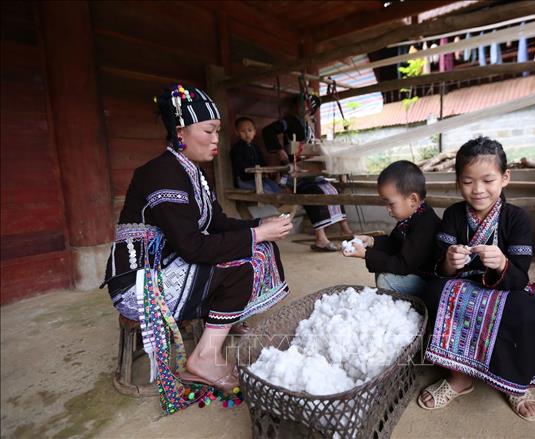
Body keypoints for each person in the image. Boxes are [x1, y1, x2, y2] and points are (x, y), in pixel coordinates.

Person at [100, 84, 293, 414]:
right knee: (240, 266)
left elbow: (217, 223)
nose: (217, 139)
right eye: (209, 130)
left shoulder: (193, 174)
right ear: (180, 131)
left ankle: (226, 318)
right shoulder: (160, 173)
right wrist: (257, 234)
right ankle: (203, 357)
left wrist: (262, 228)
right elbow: (193, 247)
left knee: (262, 249)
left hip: (172, 264)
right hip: (141, 282)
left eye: (218, 131)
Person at [418, 137, 535, 422]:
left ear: (505, 178)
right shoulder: (455, 215)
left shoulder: (517, 219)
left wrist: (503, 263)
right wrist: (448, 261)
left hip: (506, 288)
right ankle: (459, 378)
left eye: (488, 180)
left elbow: (519, 277)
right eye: (468, 181)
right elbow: (437, 266)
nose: (478, 190)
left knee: (527, 311)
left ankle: (516, 384)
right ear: (459, 182)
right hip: (464, 285)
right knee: (432, 292)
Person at [262, 94, 353, 251]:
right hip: (295, 173)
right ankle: (320, 238)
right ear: (296, 106)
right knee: (314, 193)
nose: (306, 108)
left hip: (311, 171)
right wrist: (279, 151)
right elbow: (268, 131)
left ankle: (345, 229)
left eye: (310, 106)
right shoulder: (288, 121)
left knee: (332, 190)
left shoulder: (309, 124)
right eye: (303, 105)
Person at [343, 161, 439, 297]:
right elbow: (394, 243)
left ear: (412, 200)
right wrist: (370, 241)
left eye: (391, 203)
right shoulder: (411, 217)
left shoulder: (426, 224)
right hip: (413, 271)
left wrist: (366, 254)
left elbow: (403, 264)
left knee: (386, 278)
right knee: (380, 263)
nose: (387, 209)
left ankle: (411, 306)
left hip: (427, 282)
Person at [231, 116, 280, 193]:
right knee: (266, 190)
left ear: (254, 132)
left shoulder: (256, 147)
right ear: (237, 132)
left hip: (259, 178)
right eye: (243, 131)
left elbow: (262, 162)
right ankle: (274, 204)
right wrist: (256, 171)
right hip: (245, 181)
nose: (247, 134)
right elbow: (241, 166)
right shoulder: (237, 149)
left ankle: (282, 204)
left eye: (250, 130)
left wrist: (266, 171)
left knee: (275, 187)